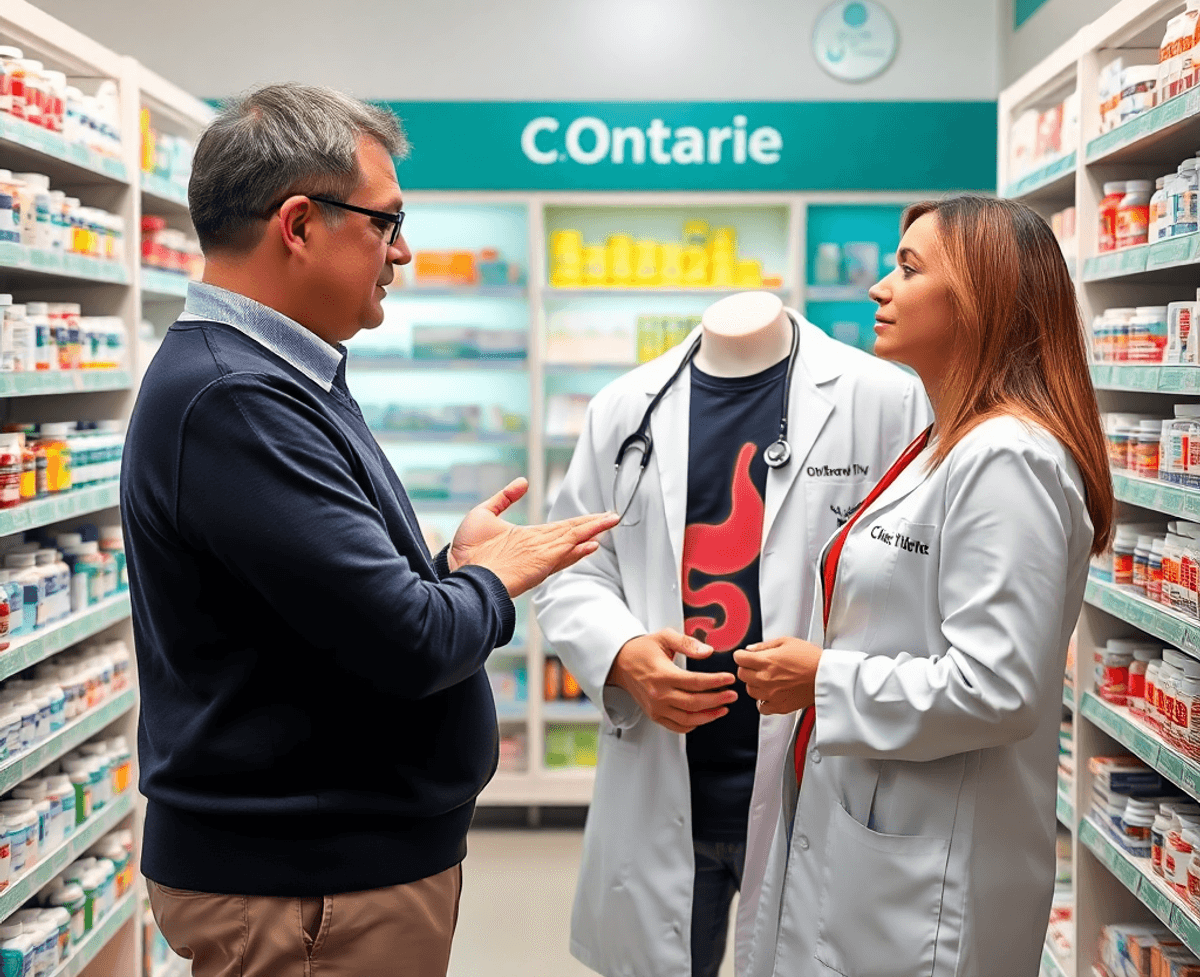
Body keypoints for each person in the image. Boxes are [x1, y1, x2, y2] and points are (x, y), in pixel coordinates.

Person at [121, 84, 616, 977]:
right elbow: (413, 640)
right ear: (300, 224)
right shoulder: (237, 397)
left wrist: (451, 566)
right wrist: (491, 581)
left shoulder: (275, 376)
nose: (404, 251)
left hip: (327, 872)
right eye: (387, 223)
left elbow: (324, 610)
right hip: (308, 888)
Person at [733, 195, 1112, 977]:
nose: (880, 287)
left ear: (981, 301)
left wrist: (822, 679)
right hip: (880, 830)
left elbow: (1000, 688)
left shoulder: (1010, 458)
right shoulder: (946, 441)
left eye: (908, 269)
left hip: (933, 877)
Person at [533, 291, 929, 977]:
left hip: (819, 782)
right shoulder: (626, 407)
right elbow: (572, 569)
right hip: (670, 780)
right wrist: (623, 655)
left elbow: (916, 584)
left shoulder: (886, 401)